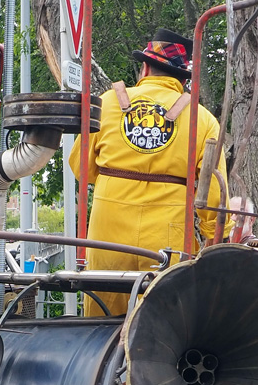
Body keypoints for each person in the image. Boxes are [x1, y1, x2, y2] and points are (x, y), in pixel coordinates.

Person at [68, 28, 225, 316]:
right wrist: (215, 238)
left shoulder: (108, 102)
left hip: (108, 232)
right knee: (165, 322)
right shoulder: (202, 119)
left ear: (145, 68)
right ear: (183, 79)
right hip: (168, 236)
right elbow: (213, 194)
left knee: (101, 321)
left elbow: (81, 167)